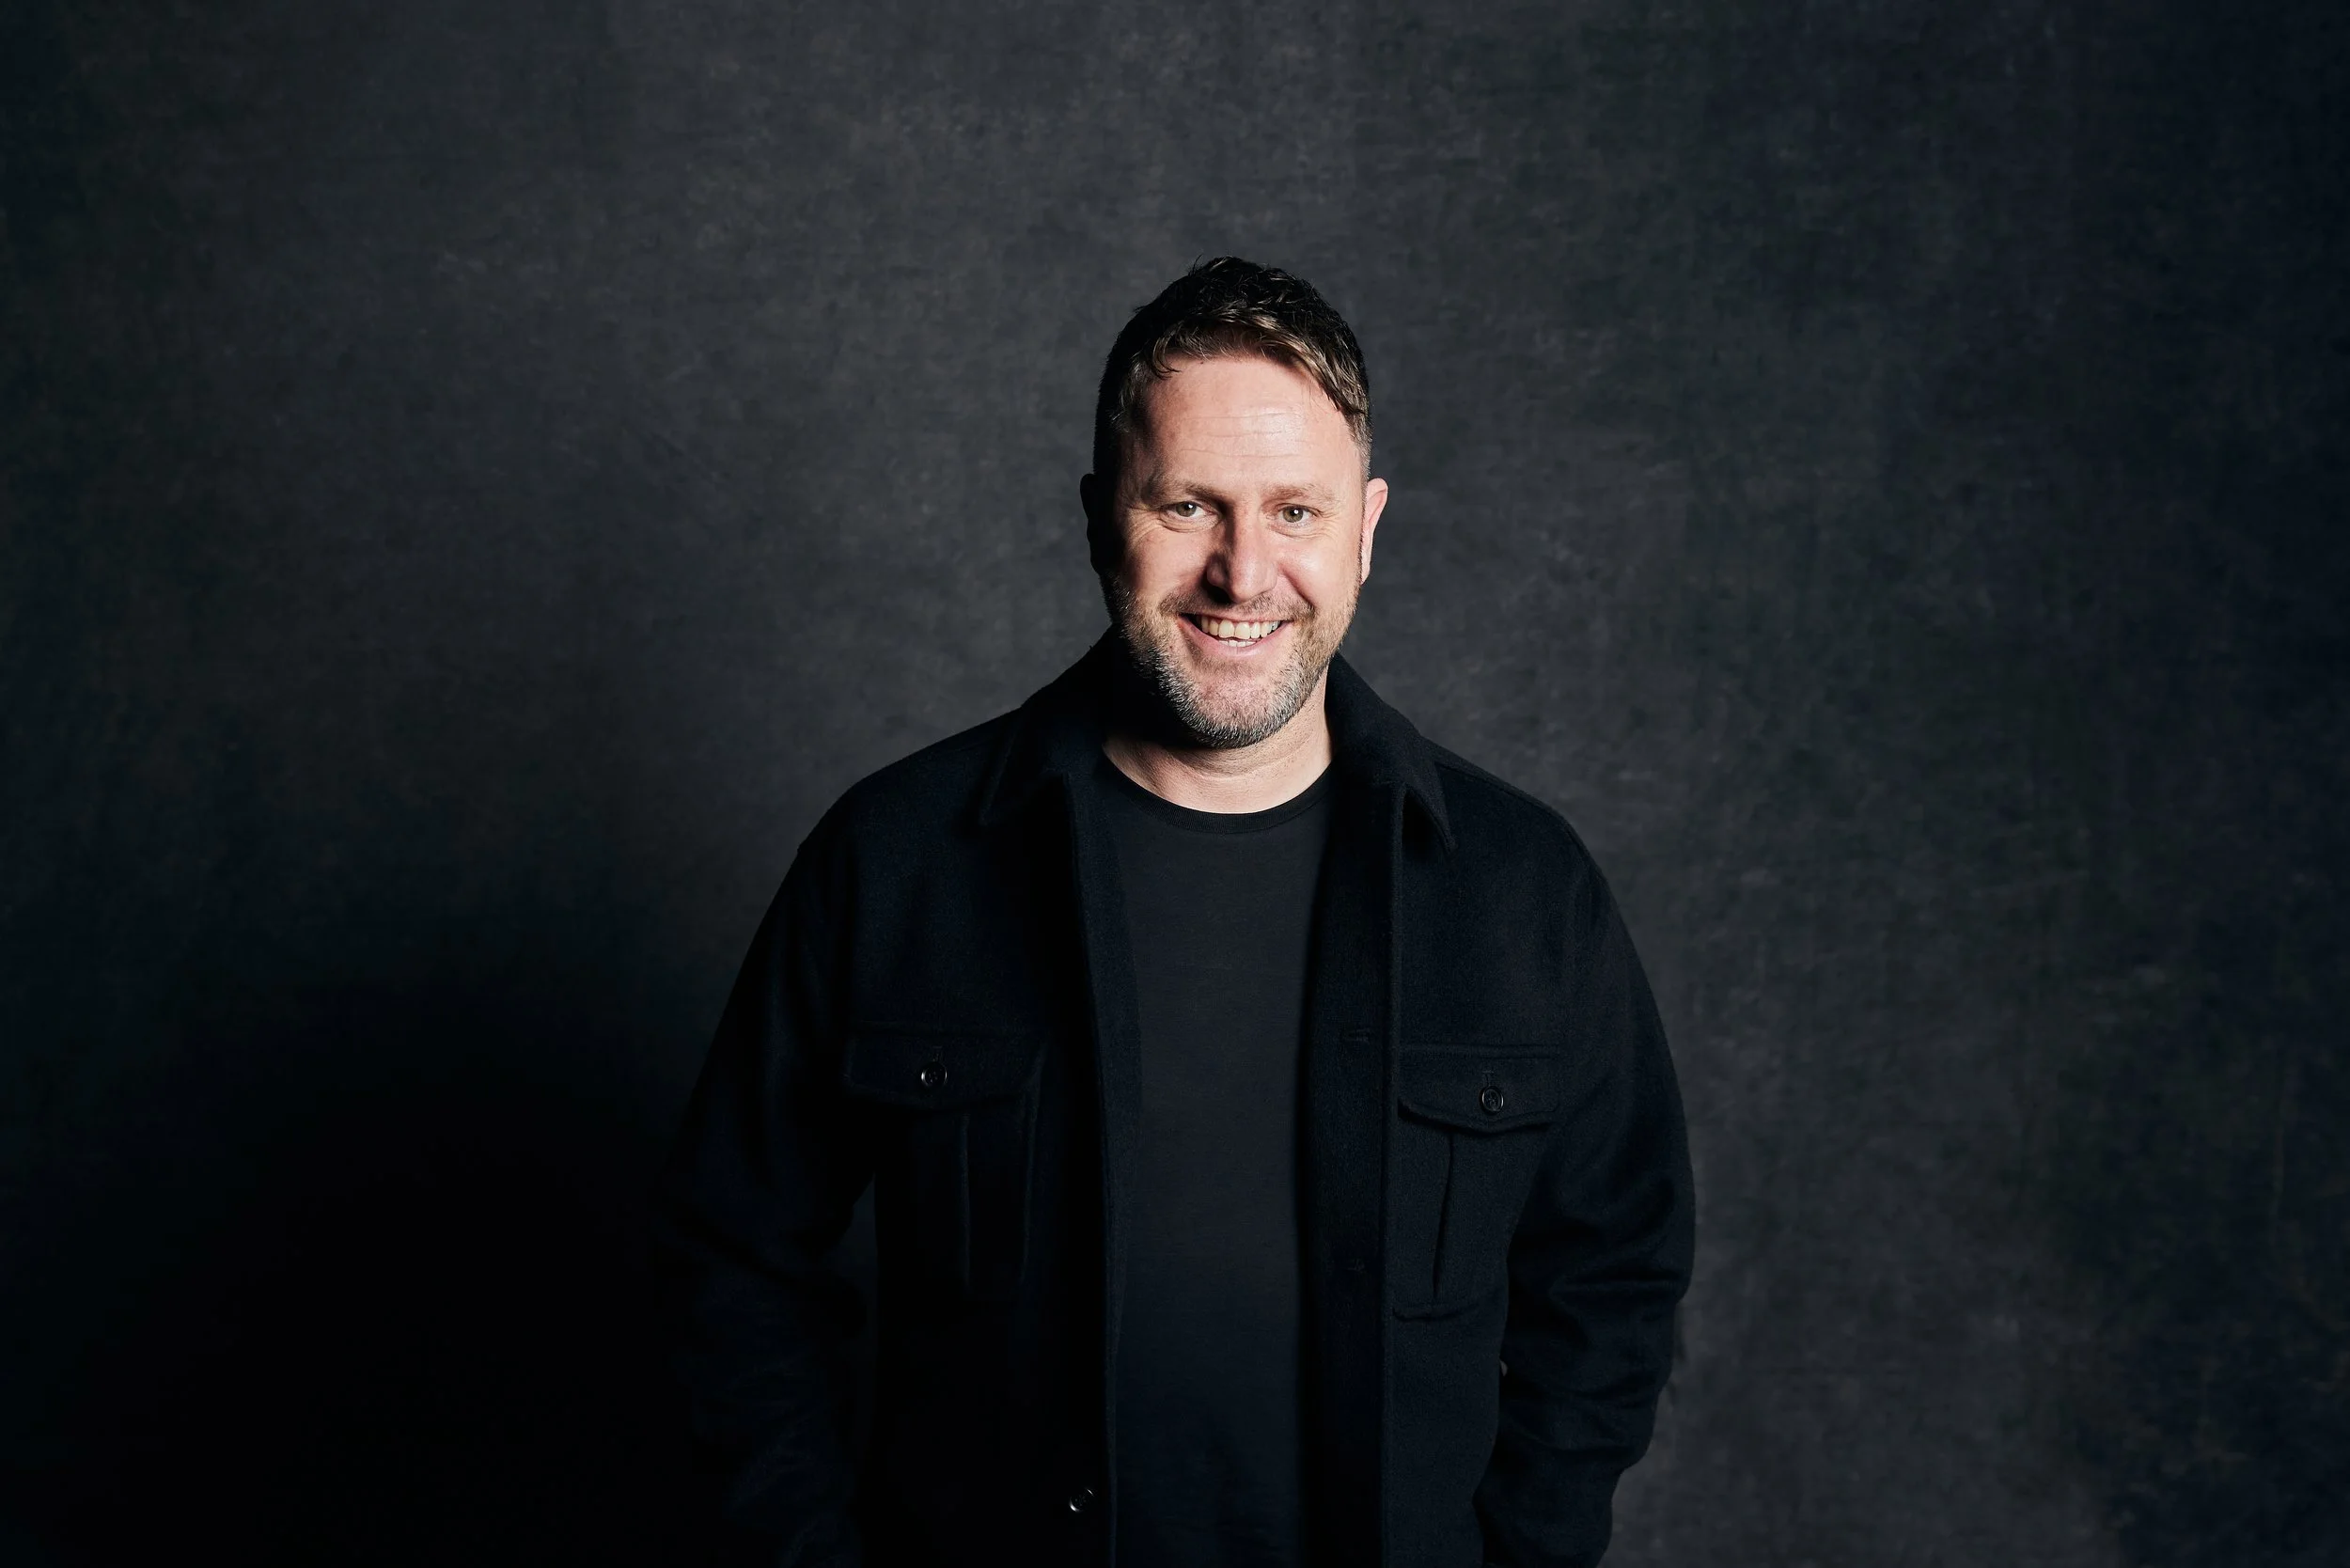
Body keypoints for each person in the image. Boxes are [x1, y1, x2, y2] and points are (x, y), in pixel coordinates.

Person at [655, 259, 1694, 1568]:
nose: (1242, 572)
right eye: (1189, 504)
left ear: (1366, 530)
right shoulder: (896, 862)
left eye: (1296, 511)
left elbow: (1615, 1273)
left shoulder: (1523, 891)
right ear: (1102, 517)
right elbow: (731, 1259)